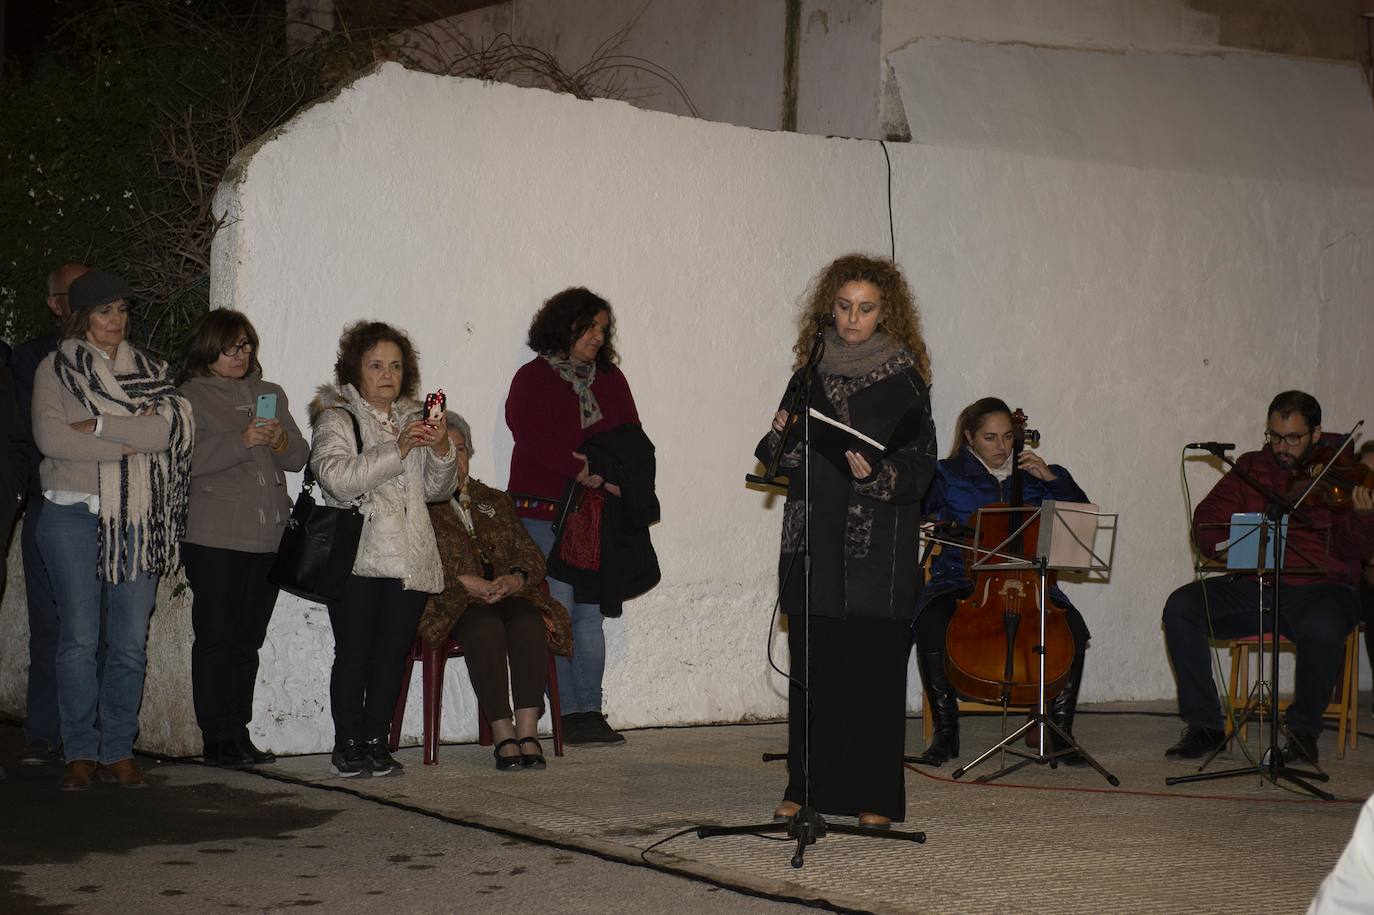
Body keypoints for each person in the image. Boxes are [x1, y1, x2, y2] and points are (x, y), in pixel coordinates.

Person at [756, 253, 937, 829]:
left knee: (871, 679)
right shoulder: (807, 372)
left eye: (866, 308)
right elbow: (774, 449)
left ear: (887, 312)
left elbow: (921, 468)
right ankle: (805, 786)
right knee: (814, 675)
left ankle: (876, 797)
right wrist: (777, 443)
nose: (852, 319)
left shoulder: (906, 379)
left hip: (874, 549)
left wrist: (873, 475)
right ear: (827, 307)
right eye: (843, 306)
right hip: (813, 538)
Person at [31, 269, 194, 790]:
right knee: (79, 638)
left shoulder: (151, 369)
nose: (116, 320)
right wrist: (125, 443)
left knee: (128, 641)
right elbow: (52, 440)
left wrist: (99, 426)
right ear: (82, 316)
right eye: (105, 311)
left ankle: (118, 748)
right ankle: (80, 749)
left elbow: (167, 428)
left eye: (122, 310)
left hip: (136, 517)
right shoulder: (53, 368)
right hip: (71, 512)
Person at [1162, 391, 1374, 763]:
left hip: (1321, 590)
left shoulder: (1342, 472)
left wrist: (1360, 517)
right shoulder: (1251, 467)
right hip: (1257, 585)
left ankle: (1304, 733)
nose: (1282, 448)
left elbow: (1353, 550)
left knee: (1324, 628)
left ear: (1316, 433)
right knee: (1181, 607)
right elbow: (1206, 518)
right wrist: (1222, 548)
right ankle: (1206, 726)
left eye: (1293, 438)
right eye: (1274, 436)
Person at [309, 321, 457, 778]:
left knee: (393, 654)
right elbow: (336, 480)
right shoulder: (338, 418)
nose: (387, 375)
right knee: (354, 653)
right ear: (355, 369)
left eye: (395, 366)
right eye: (376, 365)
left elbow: (436, 490)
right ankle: (347, 743)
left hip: (409, 556)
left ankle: (377, 740)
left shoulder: (413, 418)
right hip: (358, 557)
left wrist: (441, 448)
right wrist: (396, 449)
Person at [912, 397, 1093, 767]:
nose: (1002, 448)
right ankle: (947, 734)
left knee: (1073, 628)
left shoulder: (1038, 475)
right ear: (969, 438)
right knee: (930, 623)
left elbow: (1080, 519)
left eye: (1009, 437)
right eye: (990, 438)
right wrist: (928, 521)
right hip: (961, 581)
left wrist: (1053, 480)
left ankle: (1056, 731)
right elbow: (921, 511)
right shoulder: (947, 474)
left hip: (1030, 584)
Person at [505, 287, 641, 747]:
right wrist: (577, 467)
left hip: (593, 515)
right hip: (543, 513)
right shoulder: (532, 378)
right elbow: (528, 434)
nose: (598, 336)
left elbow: (631, 437)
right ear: (563, 326)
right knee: (558, 611)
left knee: (589, 615)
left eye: (603, 328)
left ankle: (589, 712)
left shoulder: (612, 380)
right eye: (589, 326)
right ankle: (566, 713)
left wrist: (605, 472)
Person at [178, 309, 310, 768]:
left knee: (249, 639)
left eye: (247, 346)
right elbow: (182, 463)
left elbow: (298, 458)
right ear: (208, 349)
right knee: (217, 637)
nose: (241, 355)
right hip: (214, 535)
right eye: (231, 347)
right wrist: (242, 439)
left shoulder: (269, 394)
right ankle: (217, 736)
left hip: (268, 535)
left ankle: (240, 731)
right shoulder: (189, 398)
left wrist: (276, 442)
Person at [420, 412, 573, 770]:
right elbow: (415, 562)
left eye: (460, 450)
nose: (453, 459)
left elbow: (529, 554)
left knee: (527, 620)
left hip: (506, 597)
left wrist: (516, 579)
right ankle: (502, 732)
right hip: (451, 602)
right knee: (483, 626)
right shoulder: (420, 505)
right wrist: (461, 581)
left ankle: (528, 729)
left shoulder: (495, 500)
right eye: (443, 450)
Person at [13, 263, 86, 768]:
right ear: (55, 304)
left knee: (98, 624)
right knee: (51, 623)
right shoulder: (32, 357)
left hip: (106, 503)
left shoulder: (121, 359)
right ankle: (43, 731)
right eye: (77, 295)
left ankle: (92, 733)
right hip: (49, 500)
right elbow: (34, 431)